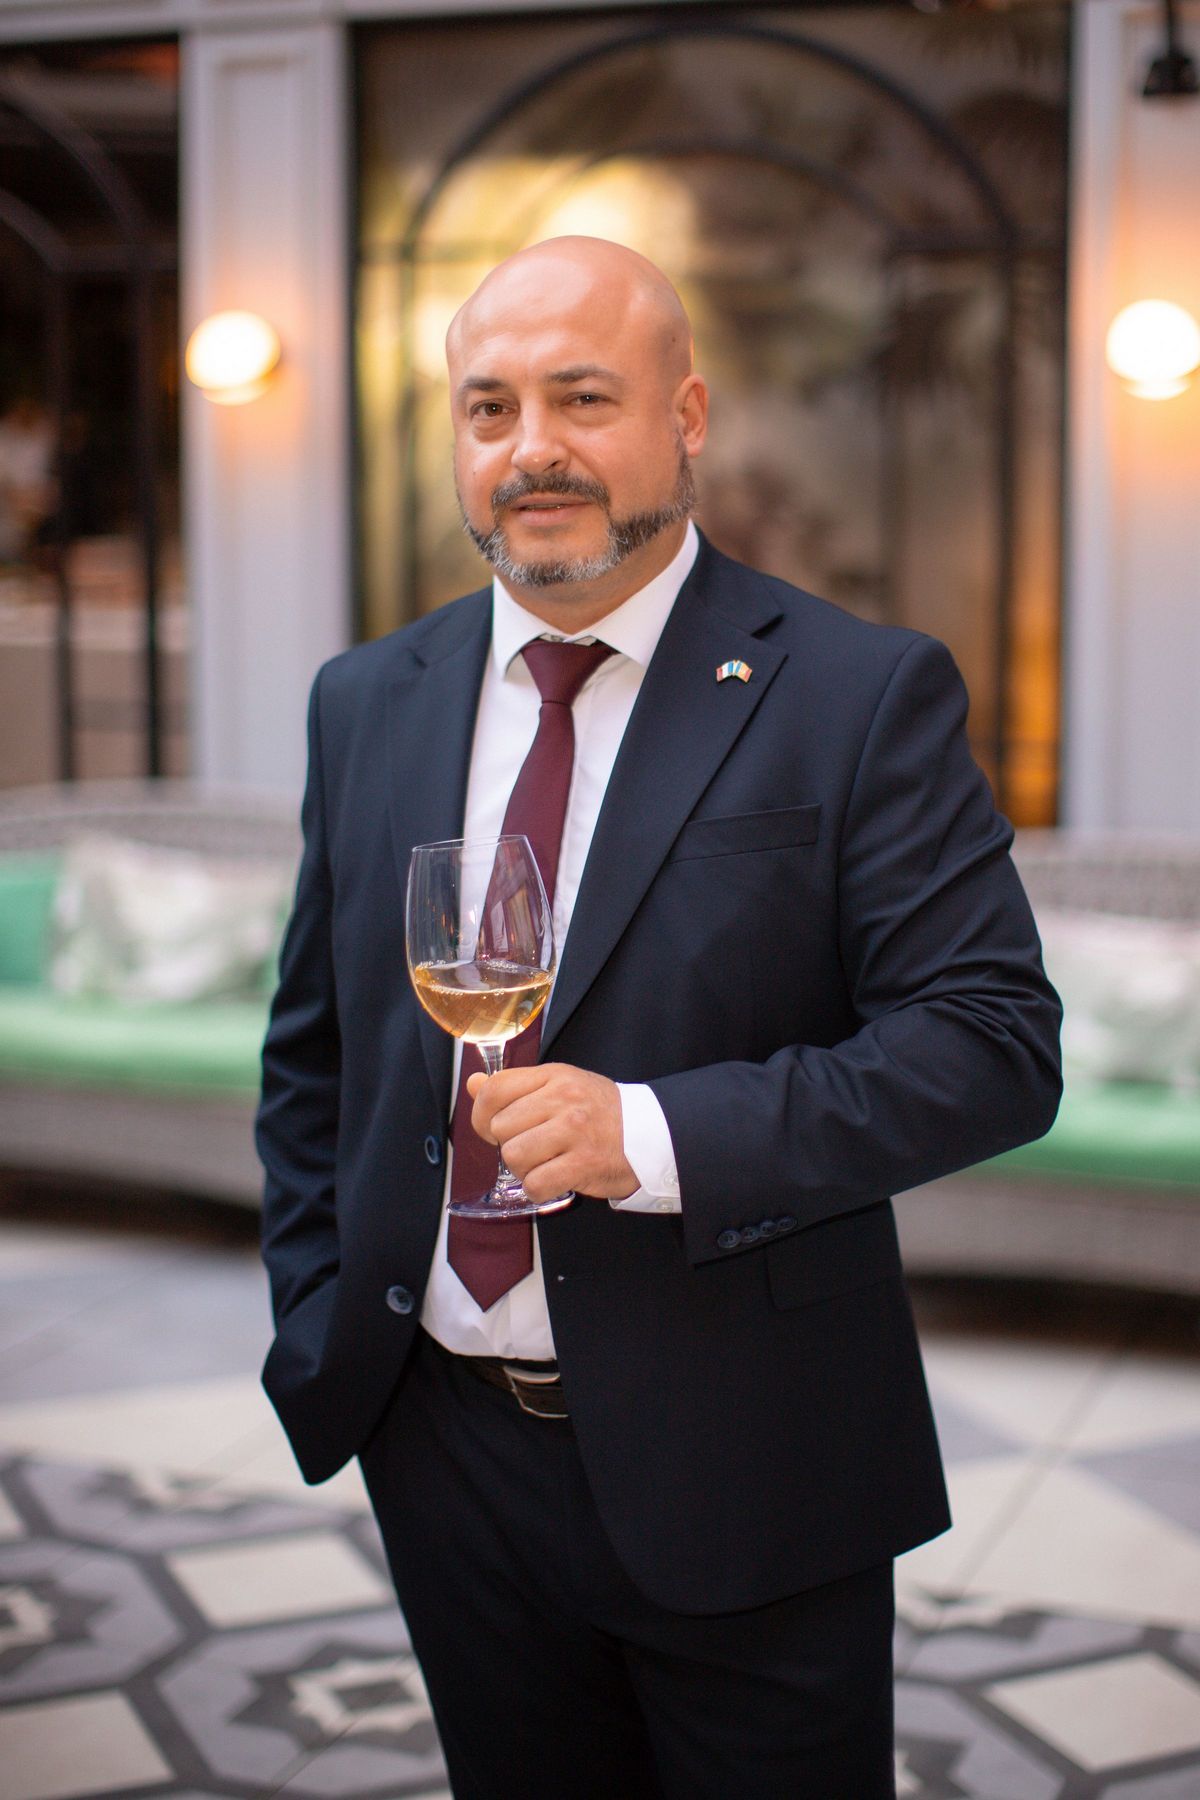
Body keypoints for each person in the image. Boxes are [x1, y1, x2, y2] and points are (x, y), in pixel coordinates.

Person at [257, 236, 1061, 1800]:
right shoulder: (367, 698)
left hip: (748, 1456)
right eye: (489, 407)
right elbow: (316, 1057)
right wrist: (325, 1318)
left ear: (687, 418)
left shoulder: (858, 693)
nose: (532, 448)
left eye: (583, 398)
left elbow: (991, 1046)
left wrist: (651, 1133)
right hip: (441, 1447)